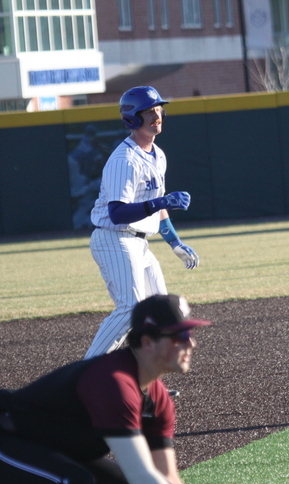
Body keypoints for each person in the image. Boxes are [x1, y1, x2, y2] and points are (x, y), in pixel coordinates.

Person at [0, 294, 217, 484]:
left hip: (28, 444)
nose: (190, 343)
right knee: (74, 483)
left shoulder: (157, 398)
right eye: (179, 335)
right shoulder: (113, 382)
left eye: (190, 333)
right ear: (148, 342)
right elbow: (143, 475)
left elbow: (168, 477)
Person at [86, 86, 199, 359]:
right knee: (130, 309)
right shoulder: (124, 160)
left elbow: (157, 207)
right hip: (114, 239)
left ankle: (146, 383)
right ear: (132, 118)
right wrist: (161, 202)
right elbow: (118, 213)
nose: (157, 115)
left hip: (139, 244)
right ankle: (83, 376)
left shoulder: (157, 155)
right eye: (149, 111)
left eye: (159, 109)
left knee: (161, 312)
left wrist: (174, 242)